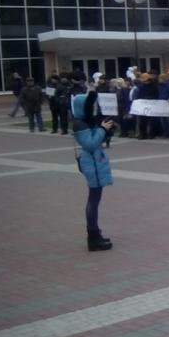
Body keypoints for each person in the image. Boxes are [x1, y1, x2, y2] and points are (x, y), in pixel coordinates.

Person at [72, 90, 114, 251]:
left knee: (95, 200)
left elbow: (96, 139)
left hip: (96, 162)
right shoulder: (79, 124)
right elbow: (89, 144)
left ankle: (96, 233)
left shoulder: (86, 122)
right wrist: (102, 129)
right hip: (92, 164)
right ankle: (93, 237)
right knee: (93, 201)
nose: (95, 108)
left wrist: (106, 130)